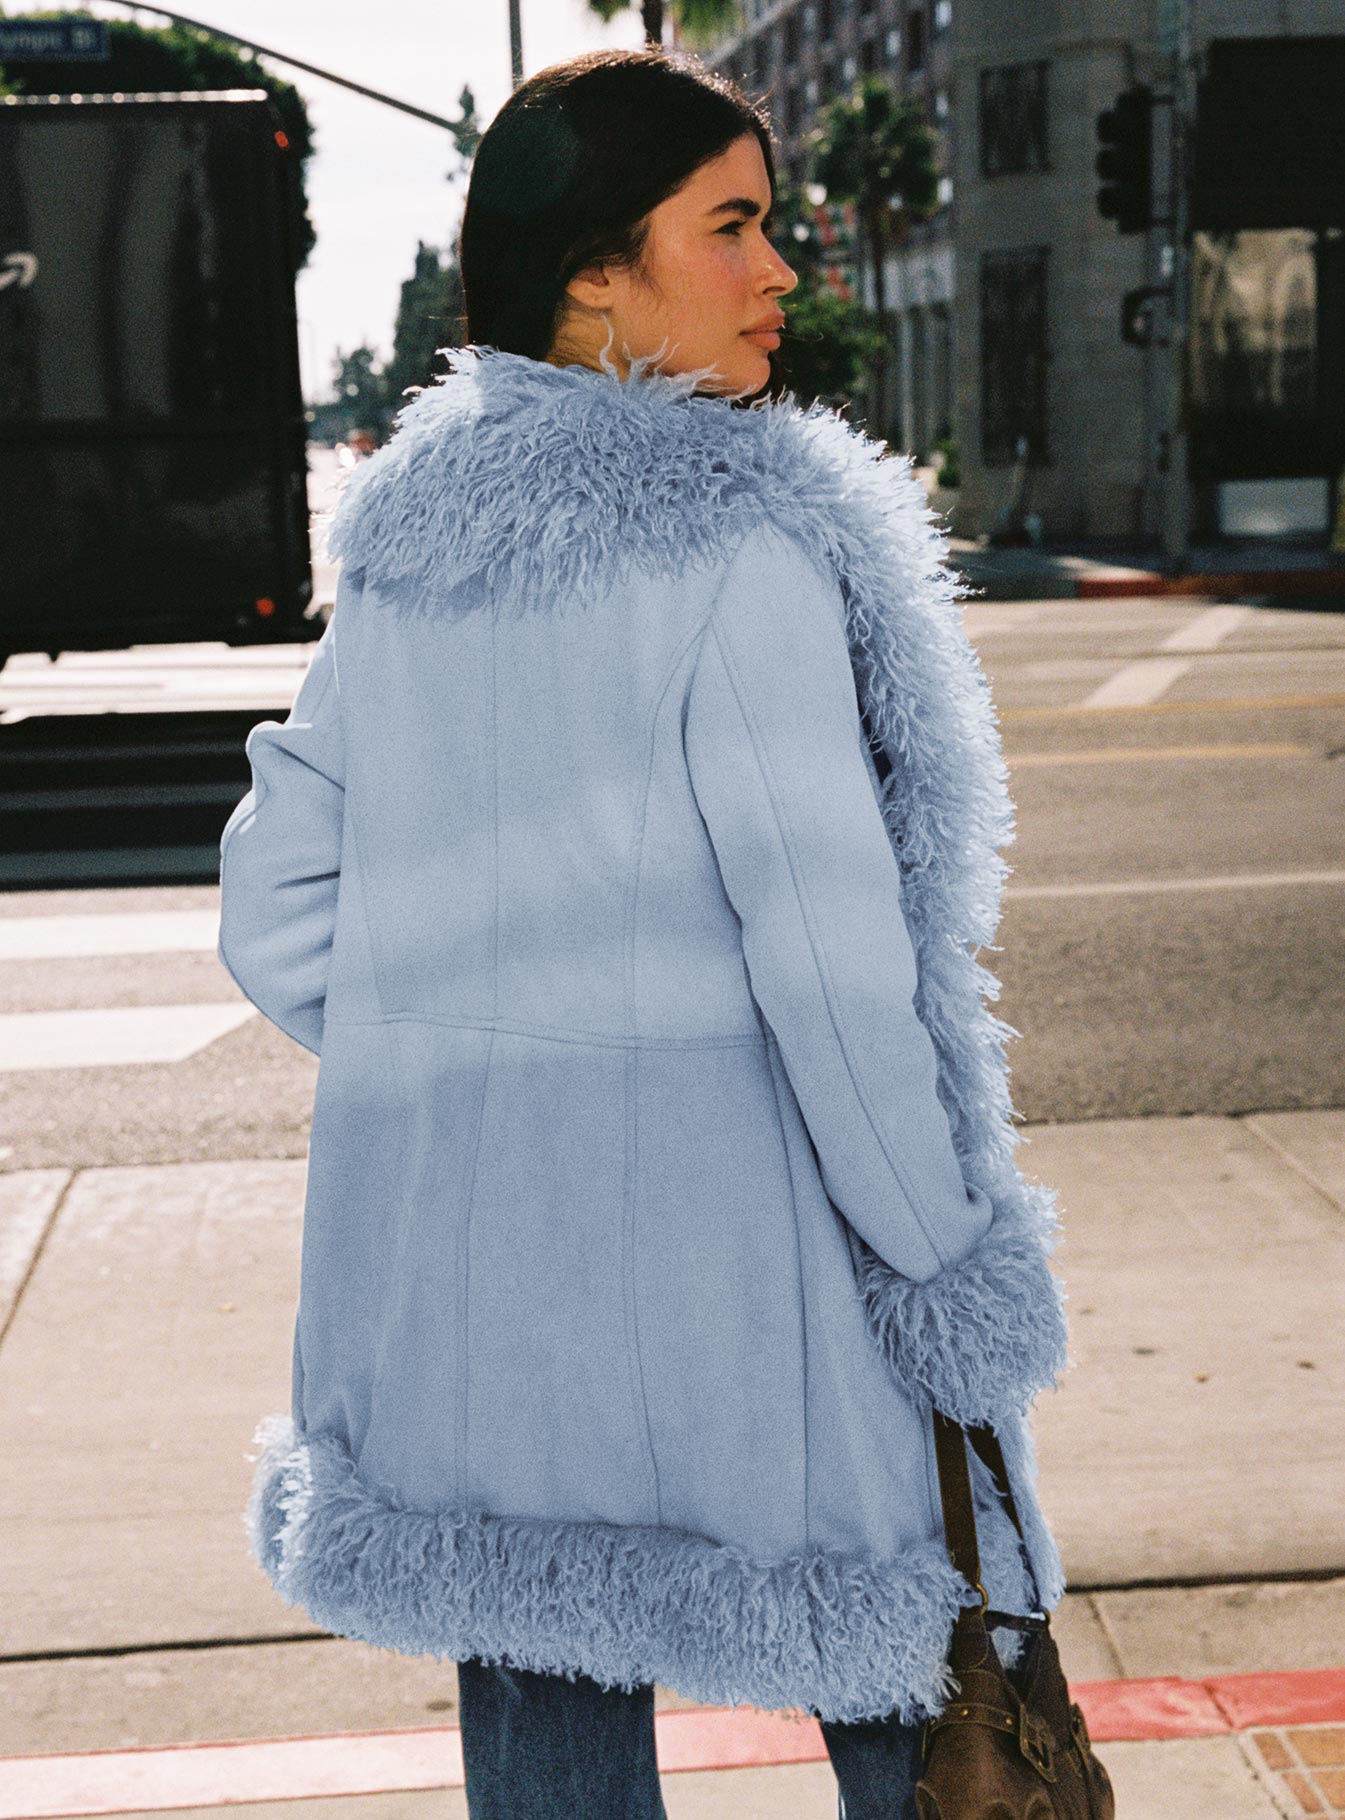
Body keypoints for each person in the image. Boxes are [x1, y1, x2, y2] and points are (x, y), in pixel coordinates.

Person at [220, 46, 1072, 1820]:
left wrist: (470, 1058)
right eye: (732, 226)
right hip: (740, 1277)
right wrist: (942, 1261)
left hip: (461, 1285)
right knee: (902, 1676)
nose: (779, 270)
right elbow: (831, 971)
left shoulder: (405, 555)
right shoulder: (738, 552)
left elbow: (277, 906)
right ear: (596, 271)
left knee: (536, 1665)